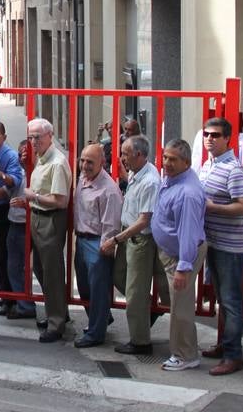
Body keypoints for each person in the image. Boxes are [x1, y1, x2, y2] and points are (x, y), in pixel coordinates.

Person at [198, 116, 243, 376]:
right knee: (221, 298)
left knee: (230, 302)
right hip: (214, 243)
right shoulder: (207, 165)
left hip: (230, 247)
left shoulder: (234, 168)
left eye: (215, 135)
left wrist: (212, 207)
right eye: (207, 134)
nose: (210, 138)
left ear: (227, 138)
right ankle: (224, 345)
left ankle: (234, 355)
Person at [9, 118, 71, 342]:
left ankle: (56, 323)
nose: (33, 141)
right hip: (37, 216)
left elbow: (59, 201)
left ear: (50, 136)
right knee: (40, 268)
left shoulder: (57, 162)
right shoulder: (43, 158)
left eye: (38, 137)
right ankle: (58, 312)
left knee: (52, 272)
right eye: (31, 137)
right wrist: (29, 201)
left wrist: (33, 197)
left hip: (50, 219)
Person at [151, 139, 207, 372]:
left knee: (181, 306)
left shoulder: (187, 193)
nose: (167, 163)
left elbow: (188, 232)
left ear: (186, 162)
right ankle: (183, 350)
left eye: (173, 159)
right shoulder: (174, 180)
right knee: (177, 304)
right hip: (173, 253)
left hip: (181, 256)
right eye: (165, 157)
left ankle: (185, 354)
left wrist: (183, 267)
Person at [108, 135, 167, 355]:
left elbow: (144, 220)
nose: (122, 157)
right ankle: (147, 308)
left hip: (139, 240)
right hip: (128, 237)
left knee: (134, 292)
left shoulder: (150, 181)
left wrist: (116, 239)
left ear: (139, 155)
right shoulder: (136, 172)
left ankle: (140, 341)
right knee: (120, 278)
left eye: (125, 153)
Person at [72, 143, 122, 349]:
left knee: (98, 289)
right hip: (82, 240)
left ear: (102, 163)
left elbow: (111, 223)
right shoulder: (83, 180)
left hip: (97, 243)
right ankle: (102, 318)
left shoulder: (109, 189)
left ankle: (96, 332)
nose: (84, 165)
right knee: (84, 287)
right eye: (82, 160)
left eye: (90, 162)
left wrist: (105, 248)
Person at [0, 121, 27, 318]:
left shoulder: (9, 156)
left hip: (3, 211)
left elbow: (15, 180)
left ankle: (11, 298)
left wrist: (0, 176)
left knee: (4, 254)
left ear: (4, 137)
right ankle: (4, 293)